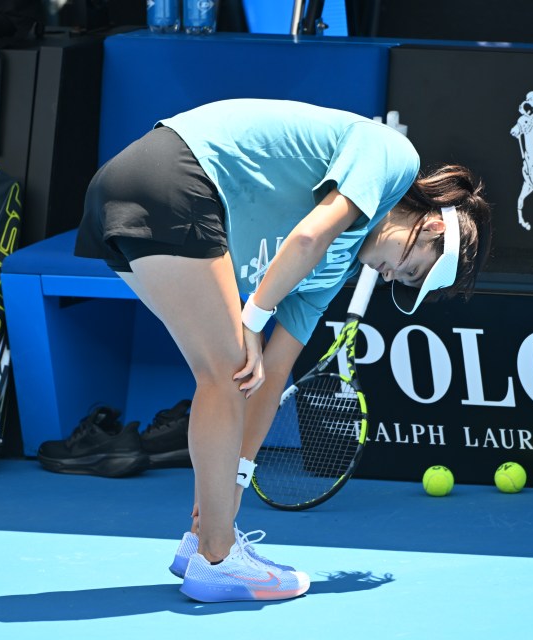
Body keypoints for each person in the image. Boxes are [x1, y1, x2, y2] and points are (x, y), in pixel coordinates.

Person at [74, 98, 492, 603]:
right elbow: (309, 236)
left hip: (120, 194)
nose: (389, 277)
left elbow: (271, 377)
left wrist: (233, 485)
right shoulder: (393, 155)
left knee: (228, 375)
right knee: (226, 370)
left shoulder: (333, 273)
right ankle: (217, 558)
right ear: (431, 228)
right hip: (176, 175)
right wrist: (254, 318)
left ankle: (203, 539)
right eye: (408, 270)